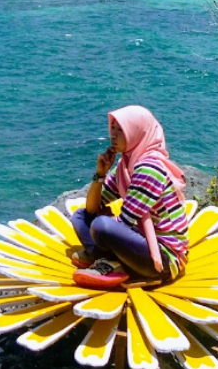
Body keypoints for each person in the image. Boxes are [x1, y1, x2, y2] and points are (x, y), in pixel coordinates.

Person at [71, 105, 190, 289]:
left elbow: (124, 222)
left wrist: (101, 230)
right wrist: (100, 175)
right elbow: (92, 208)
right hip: (143, 241)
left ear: (137, 132)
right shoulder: (126, 166)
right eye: (113, 128)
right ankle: (108, 261)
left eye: (121, 130)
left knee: (101, 225)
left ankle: (109, 263)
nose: (113, 135)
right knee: (81, 216)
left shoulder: (149, 169)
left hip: (165, 256)